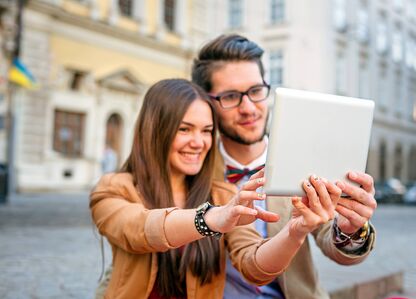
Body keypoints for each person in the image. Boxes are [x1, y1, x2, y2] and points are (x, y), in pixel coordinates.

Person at [90, 78, 343, 299]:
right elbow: (140, 230)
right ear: (155, 131)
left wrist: (294, 232)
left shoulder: (222, 194)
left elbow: (254, 265)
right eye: (184, 129)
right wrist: (212, 219)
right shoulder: (114, 188)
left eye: (207, 131)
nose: (198, 142)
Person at [190, 34, 377, 299]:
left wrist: (349, 230)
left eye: (256, 91)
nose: (249, 108)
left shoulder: (305, 157)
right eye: (231, 96)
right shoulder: (193, 166)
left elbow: (336, 247)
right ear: (208, 103)